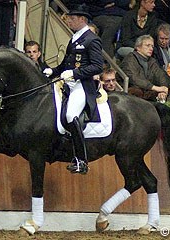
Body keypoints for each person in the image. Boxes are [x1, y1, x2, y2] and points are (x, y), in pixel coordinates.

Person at [43, 4, 103, 174]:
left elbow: (97, 67)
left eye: (73, 18)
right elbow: (65, 64)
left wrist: (76, 73)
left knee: (71, 114)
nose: (68, 20)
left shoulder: (92, 39)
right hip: (68, 83)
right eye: (69, 18)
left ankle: (81, 160)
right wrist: (53, 71)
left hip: (82, 86)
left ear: (83, 20)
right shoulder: (74, 38)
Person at [121, 35, 170, 102]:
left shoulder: (152, 61)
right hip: (132, 93)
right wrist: (155, 88)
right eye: (147, 45)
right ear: (138, 47)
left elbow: (161, 75)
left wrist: (163, 90)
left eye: (152, 46)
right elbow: (134, 78)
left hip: (147, 93)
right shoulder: (129, 59)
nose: (151, 48)